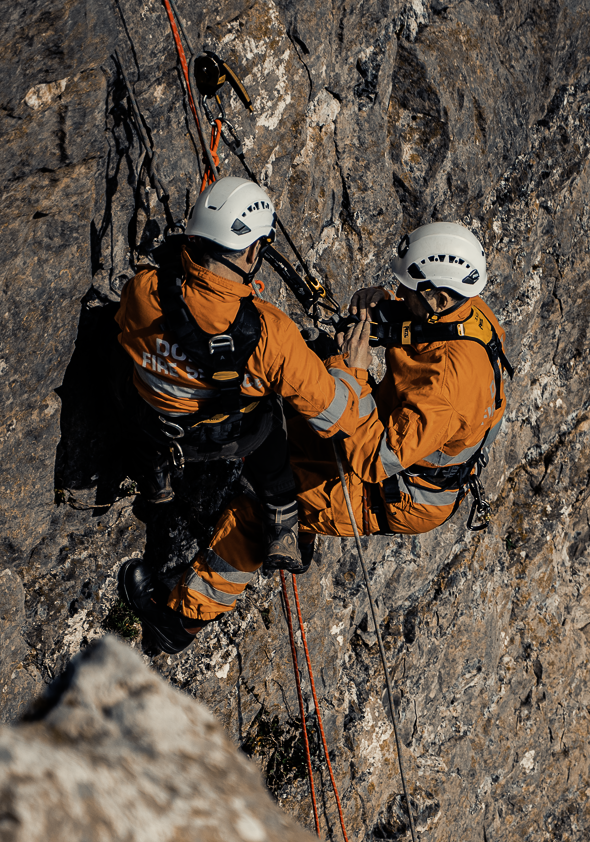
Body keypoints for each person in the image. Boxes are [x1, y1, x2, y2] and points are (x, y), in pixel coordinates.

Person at [130, 221, 510, 655]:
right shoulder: (467, 314)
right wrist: (381, 308)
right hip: (393, 449)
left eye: (409, 289)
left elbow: (372, 458)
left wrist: (353, 371)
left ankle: (178, 621)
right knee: (299, 407)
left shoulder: (450, 387)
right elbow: (425, 332)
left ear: (439, 296)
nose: (401, 293)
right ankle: (301, 530)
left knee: (262, 507)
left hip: (394, 490)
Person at [112, 176, 377, 654]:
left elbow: (125, 333)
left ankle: (157, 482)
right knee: (272, 416)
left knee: (127, 387)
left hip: (155, 423)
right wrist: (350, 370)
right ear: (253, 253)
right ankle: (280, 509)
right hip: (231, 440)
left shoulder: (143, 292)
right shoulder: (271, 335)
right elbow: (338, 417)